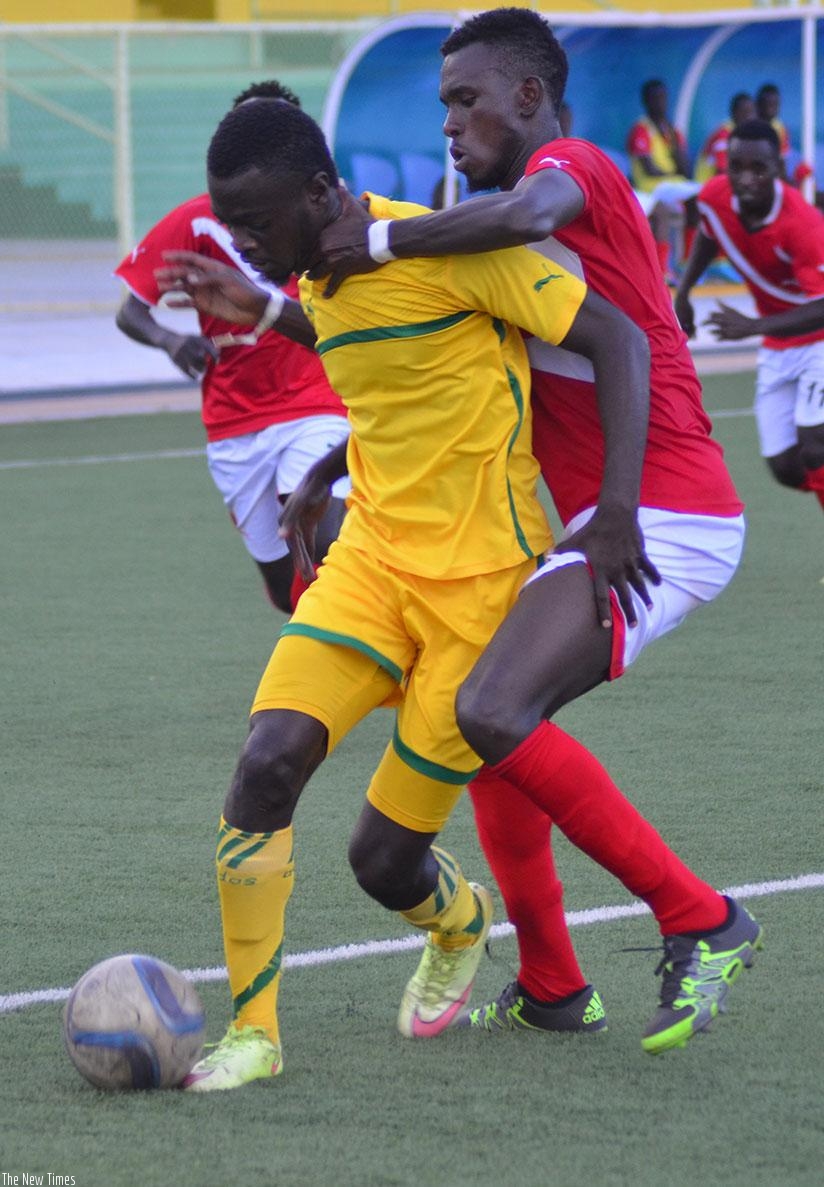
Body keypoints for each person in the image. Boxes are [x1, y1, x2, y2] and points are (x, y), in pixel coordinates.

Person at [156, 96, 651, 1091]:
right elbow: (361, 343)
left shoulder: (450, 252)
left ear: (320, 193)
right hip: (370, 565)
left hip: (481, 592)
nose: (245, 245)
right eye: (231, 229)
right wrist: (318, 455)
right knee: (264, 765)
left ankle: (458, 922)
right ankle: (254, 1033)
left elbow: (617, 342)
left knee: (381, 861)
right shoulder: (316, 268)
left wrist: (615, 511)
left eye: (256, 225)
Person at [308, 5, 761, 1056]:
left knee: (489, 704)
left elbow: (536, 222)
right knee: (486, 726)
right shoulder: (495, 225)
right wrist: (334, 466)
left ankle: (701, 916)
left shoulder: (571, 166)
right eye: (440, 106)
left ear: (525, 94)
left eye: (464, 100)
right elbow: (458, 375)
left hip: (660, 514)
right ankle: (552, 983)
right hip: (615, 509)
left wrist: (379, 236)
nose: (450, 123)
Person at [114, 80, 350, 614]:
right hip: (234, 423)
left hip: (316, 402)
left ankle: (347, 638)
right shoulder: (197, 219)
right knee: (280, 587)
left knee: (321, 538)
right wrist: (172, 340)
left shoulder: (327, 211)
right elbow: (130, 310)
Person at [675, 119, 824, 513]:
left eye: (758, 169)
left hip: (818, 342)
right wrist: (685, 291)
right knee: (785, 467)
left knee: (815, 445)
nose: (745, 178)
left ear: (779, 166)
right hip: (779, 346)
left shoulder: (804, 225)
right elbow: (710, 232)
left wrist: (753, 327)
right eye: (736, 167)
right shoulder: (713, 197)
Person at [626, 78, 698, 278]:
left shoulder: (672, 131)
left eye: (664, 98)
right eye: (656, 98)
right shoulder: (641, 129)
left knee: (700, 201)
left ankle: (687, 262)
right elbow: (649, 169)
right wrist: (673, 171)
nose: (661, 103)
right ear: (646, 101)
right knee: (662, 212)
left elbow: (686, 170)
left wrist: (675, 147)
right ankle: (661, 270)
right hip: (650, 188)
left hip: (673, 185)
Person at [694, 92, 756, 182]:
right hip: (705, 187)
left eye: (751, 112)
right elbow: (723, 172)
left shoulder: (743, 135)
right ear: (733, 113)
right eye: (744, 112)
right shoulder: (723, 136)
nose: (749, 117)